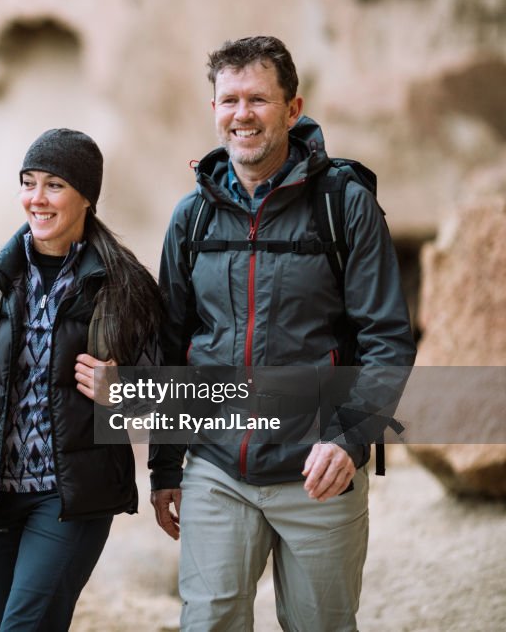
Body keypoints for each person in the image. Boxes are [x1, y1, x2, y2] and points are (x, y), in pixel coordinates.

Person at [149, 36, 416, 631]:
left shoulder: (344, 207)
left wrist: (349, 440)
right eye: (228, 100)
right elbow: (171, 345)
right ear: (214, 107)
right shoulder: (190, 217)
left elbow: (388, 340)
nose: (241, 114)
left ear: (293, 109)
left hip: (317, 472)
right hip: (216, 469)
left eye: (258, 99)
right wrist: (166, 468)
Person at [0, 128, 163, 631]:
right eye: (28, 182)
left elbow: (161, 397)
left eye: (54, 185)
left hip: (70, 494)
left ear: (86, 197)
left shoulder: (125, 285)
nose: (36, 198)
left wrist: (120, 388)